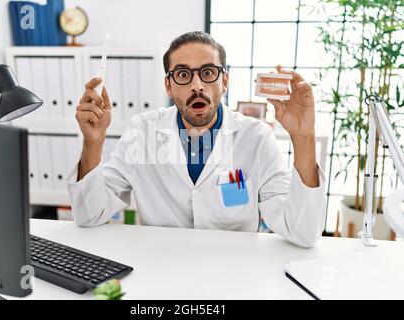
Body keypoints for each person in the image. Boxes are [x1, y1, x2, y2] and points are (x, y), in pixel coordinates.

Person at [66, 31, 326, 248]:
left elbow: (301, 232)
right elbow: (90, 215)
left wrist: (303, 137)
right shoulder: (142, 131)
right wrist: (93, 141)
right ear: (168, 86)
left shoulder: (256, 137)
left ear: (224, 81)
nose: (197, 86)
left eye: (208, 72)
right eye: (182, 75)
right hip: (161, 268)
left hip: (233, 274)